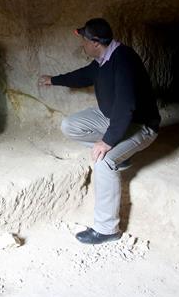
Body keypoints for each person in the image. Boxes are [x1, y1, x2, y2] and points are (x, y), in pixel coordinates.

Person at [39, 18, 160, 244]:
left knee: (104, 163)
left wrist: (107, 142)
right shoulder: (103, 59)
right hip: (113, 118)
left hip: (141, 125)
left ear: (95, 43)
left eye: (84, 40)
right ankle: (122, 155)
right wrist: (53, 80)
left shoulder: (124, 60)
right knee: (70, 125)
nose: (82, 44)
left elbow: (126, 106)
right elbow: (84, 75)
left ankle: (107, 229)